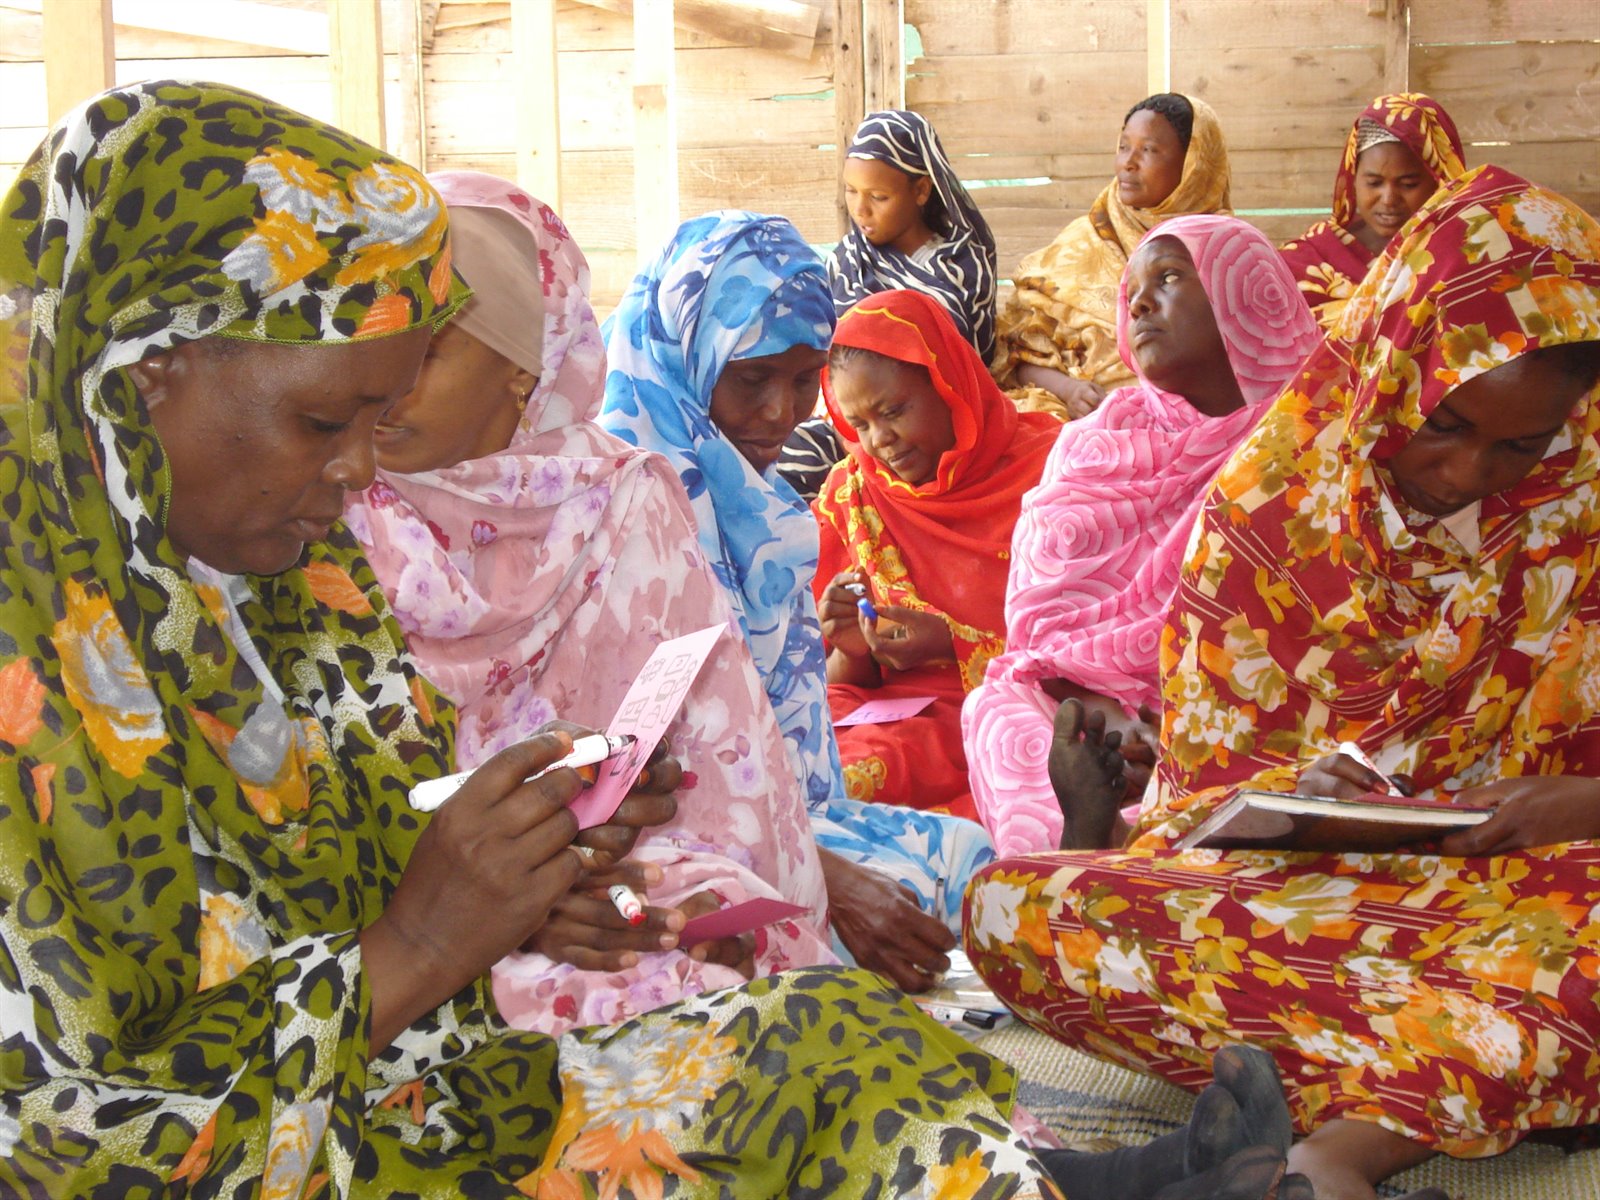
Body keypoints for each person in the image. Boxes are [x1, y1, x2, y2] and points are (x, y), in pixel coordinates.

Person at [0, 77, 1187, 1200]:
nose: (361, 468)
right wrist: (417, 943)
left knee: (831, 1038)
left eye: (375, 415)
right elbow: (59, 1144)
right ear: (139, 374)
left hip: (401, 1092)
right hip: (293, 1145)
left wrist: (522, 876)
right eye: (325, 420)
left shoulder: (269, 588)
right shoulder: (44, 672)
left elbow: (382, 854)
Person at [965, 166, 1600, 1200]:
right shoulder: (1267, 514)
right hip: (1309, 909)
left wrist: (1574, 802)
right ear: (1388, 365)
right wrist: (1305, 797)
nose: (1466, 476)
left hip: (1532, 898)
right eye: (1443, 426)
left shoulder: (1579, 509)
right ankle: (1509, 1065)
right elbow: (1202, 813)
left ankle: (1342, 1151)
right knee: (1012, 910)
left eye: (1519, 447)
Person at [343, 171, 836, 1035]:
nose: (384, 383)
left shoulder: (616, 503)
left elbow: (716, 774)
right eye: (369, 343)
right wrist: (516, 900)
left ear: (521, 370)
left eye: (426, 352)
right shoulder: (325, 506)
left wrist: (624, 878)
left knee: (733, 983)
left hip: (609, 891)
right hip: (395, 922)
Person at [598, 213, 997, 992]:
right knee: (769, 945)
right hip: (655, 858)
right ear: (690, 349)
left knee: (968, 865)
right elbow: (626, 786)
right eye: (752, 378)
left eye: (803, 377)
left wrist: (816, 855)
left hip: (779, 827)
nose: (783, 413)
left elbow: (789, 747)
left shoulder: (760, 514)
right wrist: (821, 878)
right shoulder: (617, 509)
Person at [963, 215, 1322, 857]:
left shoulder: (1306, 443)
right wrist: (1105, 726)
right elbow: (1043, 634)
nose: (1140, 300)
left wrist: (1175, 725)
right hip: (1101, 711)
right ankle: (1083, 847)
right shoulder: (1099, 445)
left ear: (1247, 294)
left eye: (1171, 277)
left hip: (1241, 711)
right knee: (999, 712)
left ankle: (1121, 850)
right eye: (1133, 287)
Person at [814, 289, 1060, 819]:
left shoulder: (1053, 475)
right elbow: (836, 681)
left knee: (854, 790)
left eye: (894, 410)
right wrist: (854, 647)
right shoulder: (852, 494)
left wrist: (953, 647)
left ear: (949, 383)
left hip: (1008, 710)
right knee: (798, 775)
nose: (879, 441)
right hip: (879, 715)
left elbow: (1099, 655)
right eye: (859, 426)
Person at [778, 111, 999, 504]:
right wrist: (853, 430)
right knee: (796, 460)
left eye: (878, 197)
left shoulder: (962, 264)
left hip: (932, 422)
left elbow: (971, 361)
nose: (860, 210)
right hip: (850, 419)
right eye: (851, 192)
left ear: (921, 191)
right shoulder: (846, 261)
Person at [991, 93, 1232, 420]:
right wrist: (1069, 390)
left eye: (1148, 150)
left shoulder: (1230, 255)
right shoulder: (1081, 245)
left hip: (1206, 429)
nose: (1128, 163)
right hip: (1088, 428)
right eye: (1123, 147)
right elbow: (1019, 360)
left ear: (1193, 163)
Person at [1280, 93, 1467, 329]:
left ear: (1441, 182)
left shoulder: (1467, 259)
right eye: (1374, 183)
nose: (1388, 199)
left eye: (1408, 184)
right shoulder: (1304, 262)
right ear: (1352, 178)